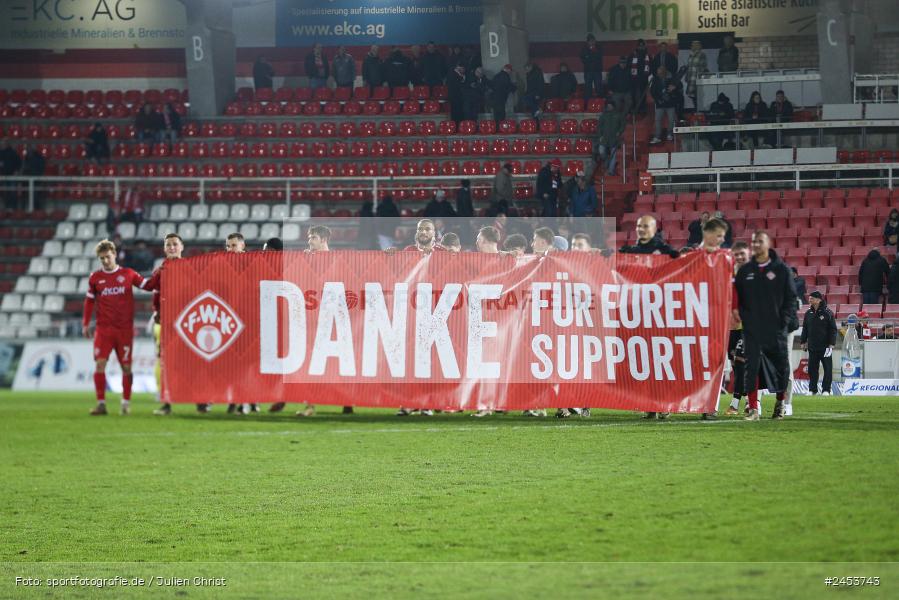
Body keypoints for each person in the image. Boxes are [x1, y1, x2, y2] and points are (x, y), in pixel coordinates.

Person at [82, 239, 152, 416]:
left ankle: (126, 403)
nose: (105, 261)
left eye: (108, 257)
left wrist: (160, 275)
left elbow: (147, 286)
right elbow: (89, 301)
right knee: (100, 364)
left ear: (114, 254)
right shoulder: (95, 278)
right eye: (102, 258)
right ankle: (101, 404)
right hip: (103, 330)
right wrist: (85, 323)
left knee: (126, 368)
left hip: (124, 331)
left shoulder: (128, 274)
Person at [734, 230, 797, 420]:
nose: (756, 245)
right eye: (754, 242)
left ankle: (780, 403)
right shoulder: (745, 271)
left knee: (781, 366)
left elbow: (791, 299)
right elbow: (739, 298)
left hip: (777, 327)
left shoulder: (782, 270)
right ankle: (753, 408)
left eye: (760, 241)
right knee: (752, 366)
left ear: (768, 244)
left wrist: (783, 322)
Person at [619, 216, 677, 419]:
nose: (641, 229)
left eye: (645, 226)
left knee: (662, 361)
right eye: (638, 226)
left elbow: (683, 268)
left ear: (654, 228)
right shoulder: (629, 252)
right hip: (638, 315)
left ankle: (665, 403)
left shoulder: (666, 251)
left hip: (660, 315)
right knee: (644, 362)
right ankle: (651, 405)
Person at [152, 233, 209, 416]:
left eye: (175, 244)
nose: (171, 247)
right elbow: (155, 294)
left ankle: (201, 400)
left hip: (187, 324)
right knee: (167, 364)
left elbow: (197, 293)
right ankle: (166, 402)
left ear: (181, 247)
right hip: (167, 324)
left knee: (195, 362)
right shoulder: (160, 270)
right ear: (164, 248)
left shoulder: (190, 268)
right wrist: (157, 312)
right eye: (168, 244)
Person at [725, 241, 751, 415]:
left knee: (742, 363)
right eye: (737, 254)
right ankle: (748, 399)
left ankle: (737, 403)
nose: (740, 257)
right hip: (730, 328)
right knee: (736, 365)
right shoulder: (727, 274)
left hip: (747, 327)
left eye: (743, 253)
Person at [800, 291, 837, 396]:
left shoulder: (828, 312)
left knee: (827, 369)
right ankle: (812, 390)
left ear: (819, 300)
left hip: (826, 347)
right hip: (812, 346)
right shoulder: (808, 313)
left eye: (812, 298)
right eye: (809, 298)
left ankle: (826, 390)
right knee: (812, 369)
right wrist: (803, 341)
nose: (809, 300)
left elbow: (833, 329)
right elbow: (805, 328)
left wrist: (831, 344)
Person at [649, 65, 682, 144]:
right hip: (660, 103)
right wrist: (658, 100)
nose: (659, 75)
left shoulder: (673, 78)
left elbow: (680, 87)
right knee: (657, 120)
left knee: (671, 120)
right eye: (658, 74)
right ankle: (657, 136)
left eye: (660, 74)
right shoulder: (655, 79)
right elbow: (653, 91)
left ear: (665, 72)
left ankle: (669, 134)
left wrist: (675, 88)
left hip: (670, 103)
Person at [596, 101, 625, 176]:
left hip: (614, 138)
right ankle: (607, 160)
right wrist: (600, 136)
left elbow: (622, 125)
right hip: (604, 138)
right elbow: (599, 126)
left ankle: (610, 171)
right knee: (601, 151)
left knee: (613, 155)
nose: (609, 107)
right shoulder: (603, 115)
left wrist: (619, 132)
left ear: (613, 106)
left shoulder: (618, 115)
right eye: (608, 106)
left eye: (610, 106)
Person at [629, 39, 652, 114]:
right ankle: (633, 107)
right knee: (633, 94)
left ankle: (642, 108)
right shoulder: (632, 55)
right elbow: (628, 66)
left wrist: (647, 75)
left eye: (642, 46)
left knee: (643, 94)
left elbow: (651, 66)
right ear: (637, 46)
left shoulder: (648, 56)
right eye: (639, 46)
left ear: (645, 46)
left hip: (643, 78)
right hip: (633, 78)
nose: (641, 47)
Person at [685, 40, 709, 110]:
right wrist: (687, 76)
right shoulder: (691, 55)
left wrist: (700, 78)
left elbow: (703, 67)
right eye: (692, 45)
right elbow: (689, 66)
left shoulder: (702, 54)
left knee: (698, 96)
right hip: (691, 78)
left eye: (693, 45)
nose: (692, 46)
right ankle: (697, 110)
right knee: (692, 95)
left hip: (697, 78)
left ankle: (699, 111)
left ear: (698, 46)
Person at [580, 33, 604, 101]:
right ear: (587, 42)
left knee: (598, 86)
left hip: (597, 70)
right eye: (590, 41)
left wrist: (590, 54)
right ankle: (587, 102)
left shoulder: (599, 47)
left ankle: (600, 101)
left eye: (593, 40)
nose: (592, 42)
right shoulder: (584, 49)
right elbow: (583, 58)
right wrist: (590, 54)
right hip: (588, 71)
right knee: (588, 87)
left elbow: (599, 56)